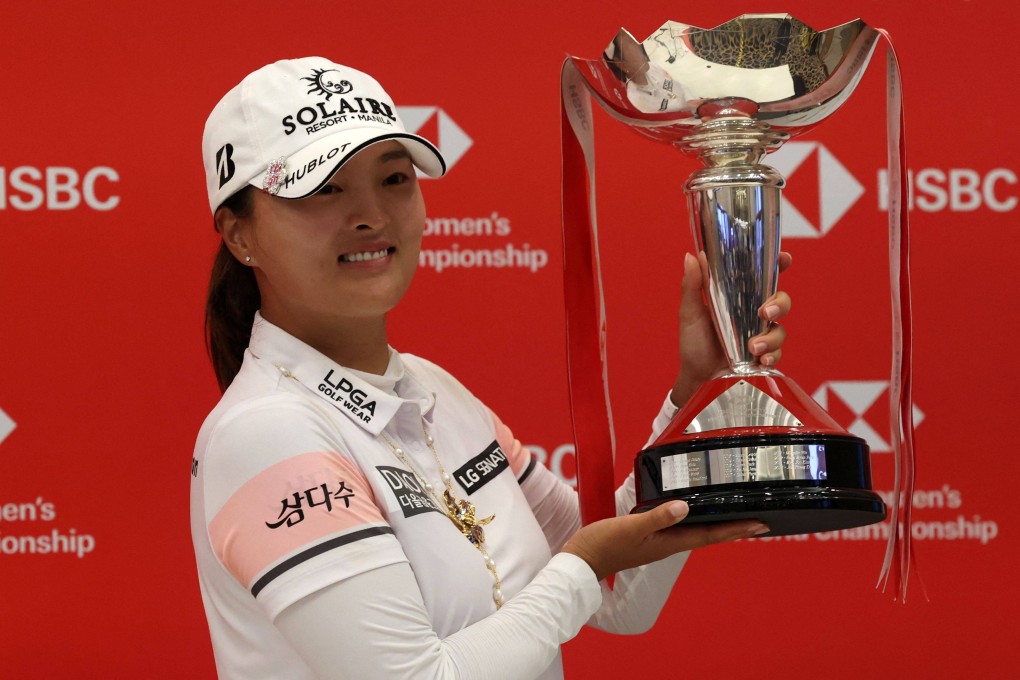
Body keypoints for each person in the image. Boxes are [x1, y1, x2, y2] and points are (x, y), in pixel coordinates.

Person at [191, 56, 792, 680]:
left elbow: (619, 593)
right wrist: (582, 565)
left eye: (394, 178)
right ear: (240, 235)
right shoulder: (264, 432)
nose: (369, 213)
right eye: (324, 189)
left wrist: (698, 396)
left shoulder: (434, 391)